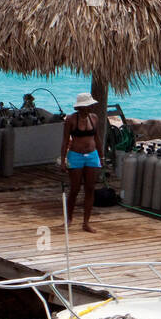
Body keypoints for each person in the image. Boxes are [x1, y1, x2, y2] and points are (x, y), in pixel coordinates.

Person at [60, 92, 104, 233]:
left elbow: (97, 138)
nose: (90, 108)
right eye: (87, 106)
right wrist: (63, 160)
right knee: (75, 188)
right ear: (80, 108)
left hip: (92, 155)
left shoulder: (94, 118)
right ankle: (69, 218)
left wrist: (101, 156)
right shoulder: (71, 120)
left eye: (90, 105)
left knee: (90, 188)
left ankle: (86, 222)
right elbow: (65, 141)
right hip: (75, 155)